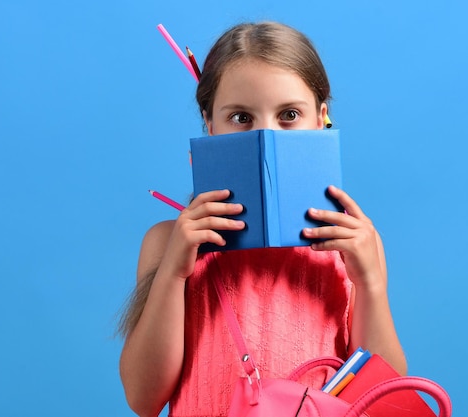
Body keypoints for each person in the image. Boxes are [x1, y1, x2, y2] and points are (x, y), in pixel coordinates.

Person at [118, 21, 406, 417]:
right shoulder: (167, 242)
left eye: (289, 114)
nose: (265, 136)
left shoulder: (352, 247)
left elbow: (386, 398)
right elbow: (143, 398)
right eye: (241, 118)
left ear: (321, 118)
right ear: (209, 124)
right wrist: (173, 272)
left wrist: (369, 282)